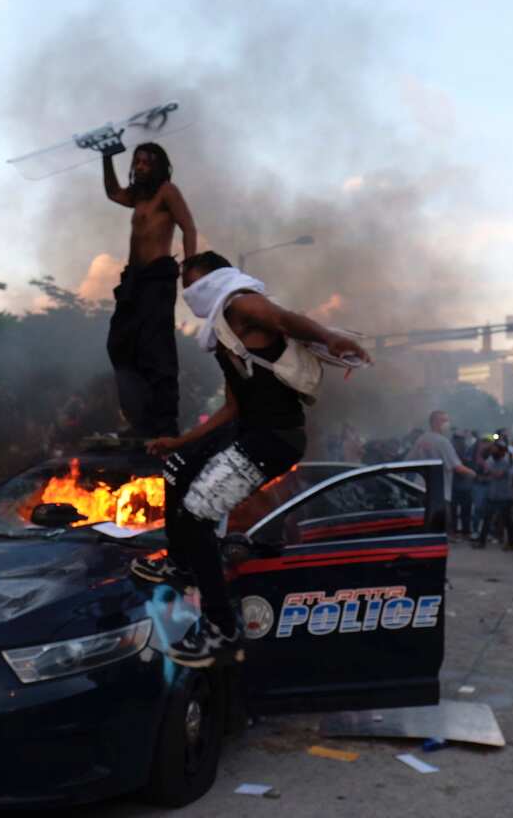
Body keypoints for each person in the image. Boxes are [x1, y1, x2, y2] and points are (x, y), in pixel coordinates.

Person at [130, 251, 368, 667]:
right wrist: (180, 441)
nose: (187, 292)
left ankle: (221, 629)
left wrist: (330, 337)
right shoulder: (224, 331)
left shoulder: (238, 301)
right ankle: (181, 562)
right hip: (247, 428)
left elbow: (283, 318)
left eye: (190, 281)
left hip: (274, 439)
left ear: (210, 278)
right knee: (176, 469)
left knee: (199, 514)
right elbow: (232, 407)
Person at [101, 142, 197, 439]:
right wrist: (106, 157)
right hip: (133, 281)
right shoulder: (138, 197)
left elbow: (188, 227)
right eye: (137, 161)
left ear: (158, 166)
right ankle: (139, 420)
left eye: (147, 162)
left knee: (157, 351)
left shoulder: (167, 191)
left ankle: (164, 423)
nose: (141, 167)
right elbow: (113, 193)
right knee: (120, 345)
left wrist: (190, 269)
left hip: (157, 277)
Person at [406, 411, 474, 531]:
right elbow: (457, 466)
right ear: (434, 422)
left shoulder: (422, 439)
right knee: (440, 529)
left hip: (421, 489)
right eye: (444, 420)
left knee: (424, 526)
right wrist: (474, 474)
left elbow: (409, 461)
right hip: (440, 493)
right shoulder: (443, 442)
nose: (447, 423)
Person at [474, 438, 513, 550]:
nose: (493, 451)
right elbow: (487, 475)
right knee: (487, 520)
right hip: (492, 496)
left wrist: (486, 468)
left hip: (504, 497)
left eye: (496, 449)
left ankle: (512, 543)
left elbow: (498, 474)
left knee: (508, 521)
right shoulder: (491, 461)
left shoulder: (505, 463)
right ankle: (481, 542)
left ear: (502, 451)